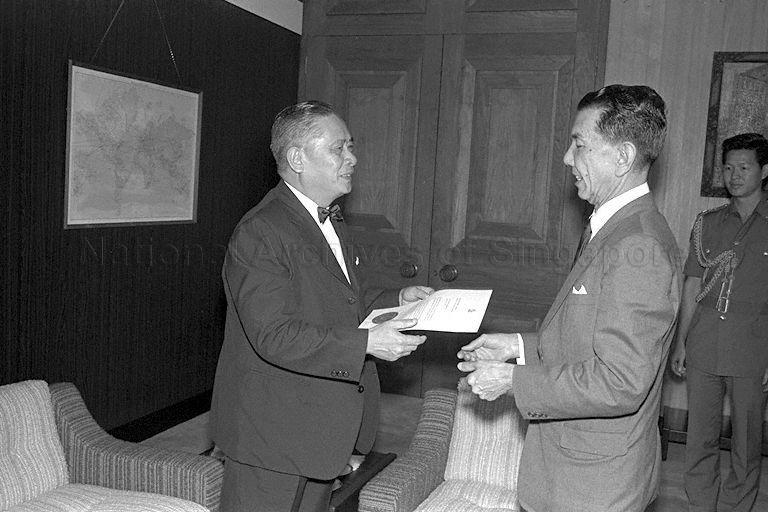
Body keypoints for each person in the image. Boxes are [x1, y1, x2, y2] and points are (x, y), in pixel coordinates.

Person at [457, 84, 682, 511]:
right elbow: (584, 334)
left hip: (595, 484)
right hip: (572, 470)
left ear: (623, 157)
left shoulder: (640, 247)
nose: (566, 158)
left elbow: (621, 381)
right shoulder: (611, 225)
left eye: (579, 144)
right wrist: (518, 346)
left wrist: (511, 381)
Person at [210, 100, 432, 512]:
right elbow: (273, 335)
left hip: (318, 427)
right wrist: (365, 343)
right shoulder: (261, 231)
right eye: (339, 148)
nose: (352, 158)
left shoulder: (328, 219)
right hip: (271, 431)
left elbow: (341, 300)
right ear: (297, 159)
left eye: (350, 147)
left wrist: (396, 301)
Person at [670, 132, 768, 512]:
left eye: (744, 167)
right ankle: (700, 505)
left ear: (764, 170)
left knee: (746, 442)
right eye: (728, 167)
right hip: (705, 342)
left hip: (753, 346)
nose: (734, 175)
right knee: (700, 437)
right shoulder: (707, 223)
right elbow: (693, 284)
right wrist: (681, 342)